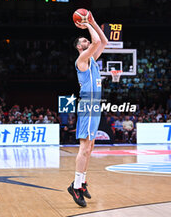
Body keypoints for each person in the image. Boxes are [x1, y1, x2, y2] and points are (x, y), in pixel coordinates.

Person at [67, 11, 108, 207]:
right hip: (87, 104)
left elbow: (103, 41)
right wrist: (86, 25)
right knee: (84, 148)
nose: (87, 41)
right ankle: (75, 187)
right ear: (78, 47)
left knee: (90, 147)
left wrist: (92, 22)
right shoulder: (81, 60)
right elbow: (94, 43)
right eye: (82, 40)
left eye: (86, 39)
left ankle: (82, 182)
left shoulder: (92, 60)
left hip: (95, 105)